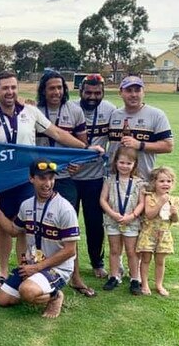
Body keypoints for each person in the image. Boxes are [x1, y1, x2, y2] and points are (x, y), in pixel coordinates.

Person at [0, 71, 102, 289]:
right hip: (3, 179)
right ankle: (3, 271)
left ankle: (23, 267)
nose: (10, 92)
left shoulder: (30, 112)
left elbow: (57, 133)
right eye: (5, 88)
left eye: (13, 87)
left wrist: (85, 148)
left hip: (27, 179)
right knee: (4, 228)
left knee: (25, 226)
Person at [0, 158, 80, 319]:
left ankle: (55, 296)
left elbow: (70, 251)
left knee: (27, 291)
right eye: (42, 178)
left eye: (51, 178)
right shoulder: (27, 205)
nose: (47, 183)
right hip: (34, 264)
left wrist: (37, 268)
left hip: (58, 268)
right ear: (31, 178)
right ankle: (36, 286)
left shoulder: (65, 208)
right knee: (2, 300)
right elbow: (14, 231)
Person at [35, 71, 94, 297]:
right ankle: (36, 268)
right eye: (51, 88)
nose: (56, 92)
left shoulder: (74, 110)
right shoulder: (34, 111)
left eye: (59, 87)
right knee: (37, 226)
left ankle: (76, 278)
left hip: (65, 179)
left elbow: (82, 144)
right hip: (40, 177)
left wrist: (77, 163)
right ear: (44, 90)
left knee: (68, 230)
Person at [72, 74, 116, 279]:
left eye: (97, 93)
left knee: (95, 222)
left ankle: (97, 262)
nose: (92, 96)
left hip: (95, 178)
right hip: (69, 177)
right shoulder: (70, 108)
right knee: (67, 221)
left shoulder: (110, 110)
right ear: (80, 91)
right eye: (88, 92)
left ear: (103, 93)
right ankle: (65, 262)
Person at [108, 76, 174, 179]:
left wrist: (140, 145)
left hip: (142, 180)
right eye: (129, 91)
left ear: (144, 93)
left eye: (137, 90)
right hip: (113, 180)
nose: (133, 95)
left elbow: (168, 146)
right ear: (120, 93)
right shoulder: (114, 114)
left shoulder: (156, 114)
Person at [99, 146, 145, 295]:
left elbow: (141, 203)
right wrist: (112, 214)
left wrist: (131, 216)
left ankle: (135, 279)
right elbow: (102, 200)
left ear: (134, 165)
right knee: (114, 250)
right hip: (113, 220)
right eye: (121, 162)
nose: (124, 166)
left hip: (131, 221)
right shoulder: (109, 180)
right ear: (116, 162)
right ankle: (114, 276)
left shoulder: (138, 183)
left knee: (132, 251)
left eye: (128, 163)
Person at [137, 166, 179, 296]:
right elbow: (149, 214)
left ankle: (159, 284)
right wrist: (160, 202)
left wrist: (175, 213)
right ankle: (144, 284)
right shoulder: (150, 197)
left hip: (164, 235)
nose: (165, 184)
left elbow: (174, 220)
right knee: (146, 259)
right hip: (148, 234)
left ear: (172, 183)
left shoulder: (175, 200)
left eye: (168, 181)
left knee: (160, 261)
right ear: (154, 183)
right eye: (161, 181)